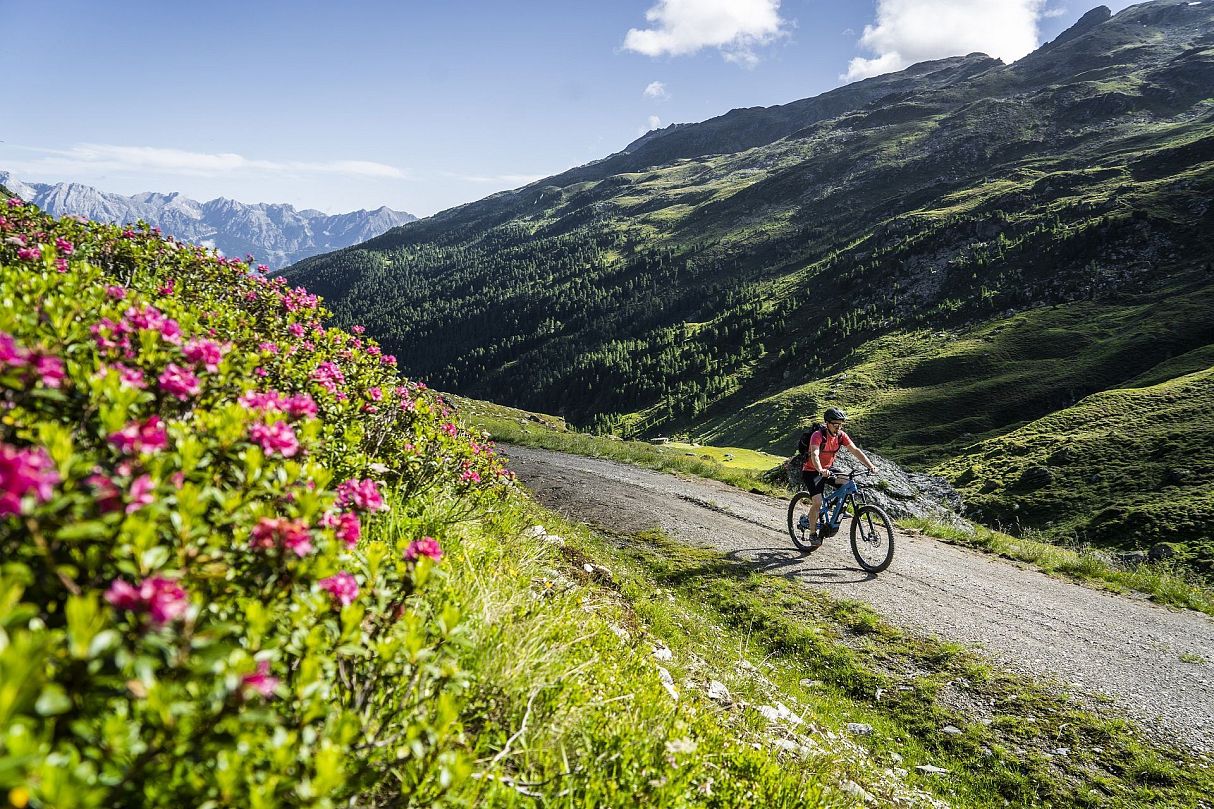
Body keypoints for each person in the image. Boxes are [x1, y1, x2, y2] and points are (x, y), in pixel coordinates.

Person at [800, 407, 877, 549]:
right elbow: (815, 454)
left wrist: (870, 465)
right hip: (812, 471)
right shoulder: (818, 435)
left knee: (848, 482)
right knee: (817, 502)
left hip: (828, 469)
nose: (838, 427)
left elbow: (855, 450)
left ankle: (836, 507)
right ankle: (812, 534)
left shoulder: (841, 435)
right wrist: (820, 469)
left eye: (840, 424)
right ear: (827, 423)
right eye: (835, 424)